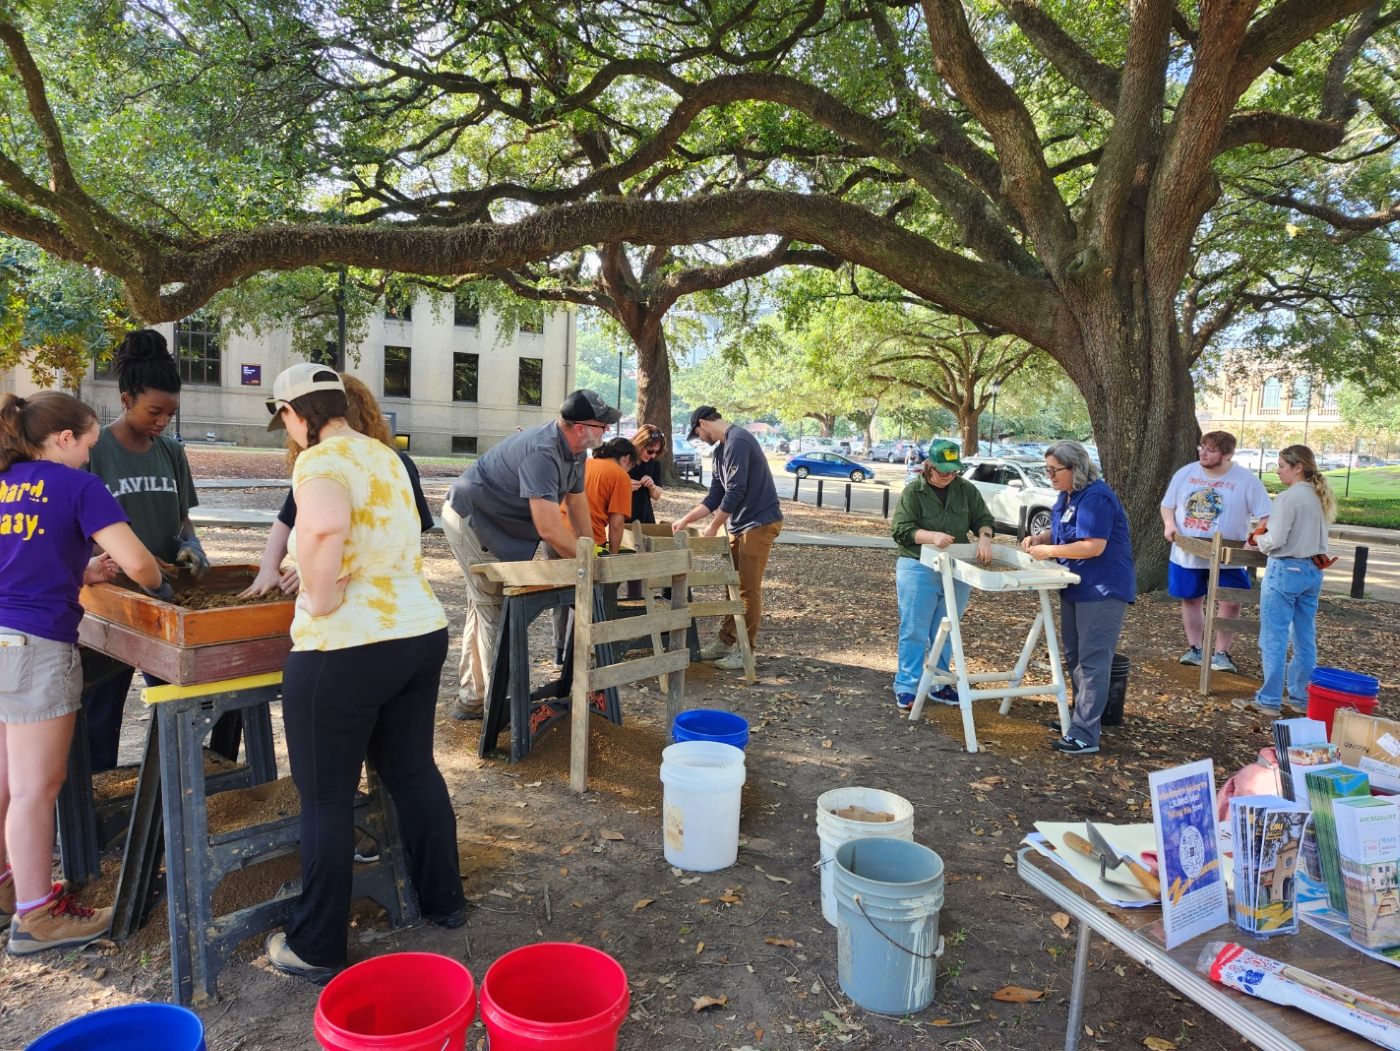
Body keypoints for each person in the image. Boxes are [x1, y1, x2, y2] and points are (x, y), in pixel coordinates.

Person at [260, 364, 463, 984]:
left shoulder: (319, 461)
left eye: (285, 420)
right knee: (413, 771)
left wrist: (319, 597)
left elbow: (323, 525)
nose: (288, 432)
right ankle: (444, 900)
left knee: (325, 797)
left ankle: (316, 945)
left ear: (296, 413)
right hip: (418, 631)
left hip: (345, 645)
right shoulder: (387, 456)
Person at [0, 392, 162, 955]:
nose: (92, 456)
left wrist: (78, 568)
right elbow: (139, 563)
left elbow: (21, 556)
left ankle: (8, 885)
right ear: (64, 438)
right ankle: (37, 917)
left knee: (6, 778)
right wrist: (160, 582)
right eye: (89, 444)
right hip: (36, 646)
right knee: (35, 789)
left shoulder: (5, 481)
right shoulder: (78, 486)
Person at [81, 329, 223, 772]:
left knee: (179, 702)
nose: (162, 421)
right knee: (101, 711)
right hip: (111, 602)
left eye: (171, 413)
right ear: (126, 400)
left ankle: (172, 791)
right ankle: (102, 795)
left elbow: (183, 519)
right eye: (154, 411)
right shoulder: (95, 452)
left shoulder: (172, 452)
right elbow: (80, 529)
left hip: (167, 602)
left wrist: (190, 545)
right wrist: (131, 560)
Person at [442, 390, 621, 720]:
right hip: (472, 519)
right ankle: (491, 706)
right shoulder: (542, 452)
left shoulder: (576, 452)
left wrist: (592, 547)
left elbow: (576, 502)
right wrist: (588, 562)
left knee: (483, 605)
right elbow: (549, 529)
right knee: (492, 605)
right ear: (579, 428)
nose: (606, 431)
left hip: (499, 525)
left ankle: (473, 698)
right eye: (602, 425)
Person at [241, 373, 434, 598]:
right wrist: (269, 568)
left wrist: (314, 572)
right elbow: (286, 518)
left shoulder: (323, 462)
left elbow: (392, 538)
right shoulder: (386, 460)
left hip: (358, 601)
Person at [1022, 441, 1136, 756]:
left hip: (1102, 589)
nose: (1049, 476)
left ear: (1076, 468)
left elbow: (1093, 546)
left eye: (1054, 470)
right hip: (1075, 585)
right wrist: (1041, 538)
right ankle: (1078, 719)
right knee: (1075, 656)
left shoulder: (1097, 497)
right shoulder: (1067, 495)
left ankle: (1085, 734)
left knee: (1093, 659)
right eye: (1047, 470)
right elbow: (1065, 532)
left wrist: (1050, 550)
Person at [672, 407, 783, 672]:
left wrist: (713, 526)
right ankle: (726, 641)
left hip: (759, 522)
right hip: (739, 525)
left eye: (698, 434)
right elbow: (715, 496)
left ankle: (746, 652)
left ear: (703, 424)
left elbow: (735, 490)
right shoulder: (721, 450)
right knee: (732, 584)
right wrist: (686, 520)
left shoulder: (738, 441)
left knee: (747, 589)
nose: (700, 439)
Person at [889, 440, 995, 711]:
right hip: (918, 566)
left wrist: (984, 538)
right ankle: (907, 685)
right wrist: (931, 536)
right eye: (943, 471)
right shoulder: (913, 492)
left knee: (947, 628)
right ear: (929, 466)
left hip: (956, 567)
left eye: (954, 470)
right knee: (914, 629)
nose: (949, 476)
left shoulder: (966, 490)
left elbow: (983, 519)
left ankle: (940, 682)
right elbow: (900, 530)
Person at [1160, 431, 1271, 672]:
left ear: (1228, 454)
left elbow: (1267, 516)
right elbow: (1167, 505)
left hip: (1228, 555)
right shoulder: (1185, 473)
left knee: (1230, 600)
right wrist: (1169, 525)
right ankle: (1195, 649)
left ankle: (1222, 653)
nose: (1203, 453)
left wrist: (1255, 538)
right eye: (1202, 447)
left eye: (1211, 450)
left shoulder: (1246, 480)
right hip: (1188, 551)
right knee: (1191, 598)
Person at [1242, 445, 1335, 714]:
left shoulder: (1288, 498)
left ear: (1298, 468)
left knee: (1274, 636)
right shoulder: (1320, 495)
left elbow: (1275, 540)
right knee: (1305, 636)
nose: (1278, 471)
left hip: (1285, 569)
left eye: (1282, 466)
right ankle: (1300, 697)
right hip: (1313, 570)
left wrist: (1257, 537)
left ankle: (1269, 700)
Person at [628, 424, 665, 525]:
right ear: (639, 444)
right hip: (622, 518)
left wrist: (652, 486)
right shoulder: (623, 458)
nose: (653, 455)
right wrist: (623, 485)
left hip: (645, 518)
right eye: (650, 451)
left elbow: (657, 496)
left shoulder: (654, 463)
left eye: (657, 452)